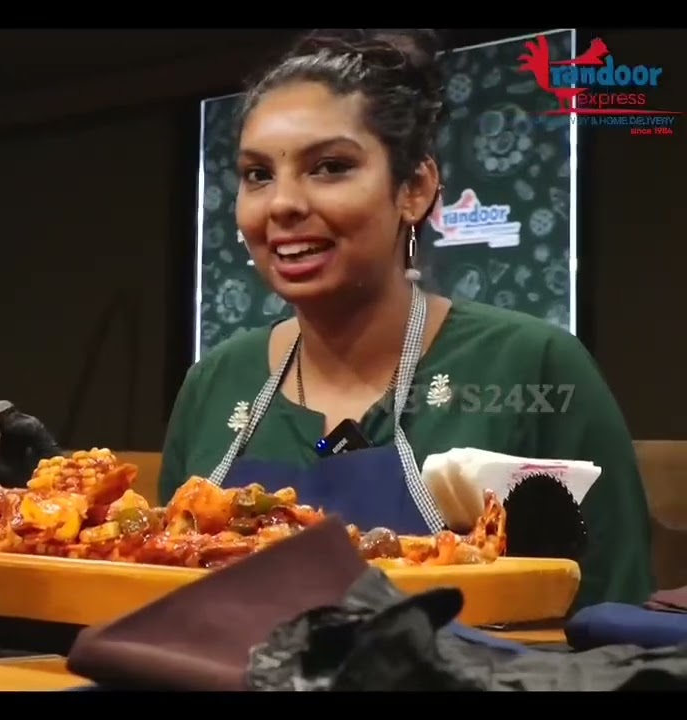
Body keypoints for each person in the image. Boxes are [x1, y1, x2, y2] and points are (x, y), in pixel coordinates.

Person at [156, 29, 653, 612]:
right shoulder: (216, 382)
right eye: (258, 174)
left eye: (331, 166)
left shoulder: (534, 368)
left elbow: (617, 628)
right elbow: (160, 606)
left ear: (415, 188)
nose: (282, 204)